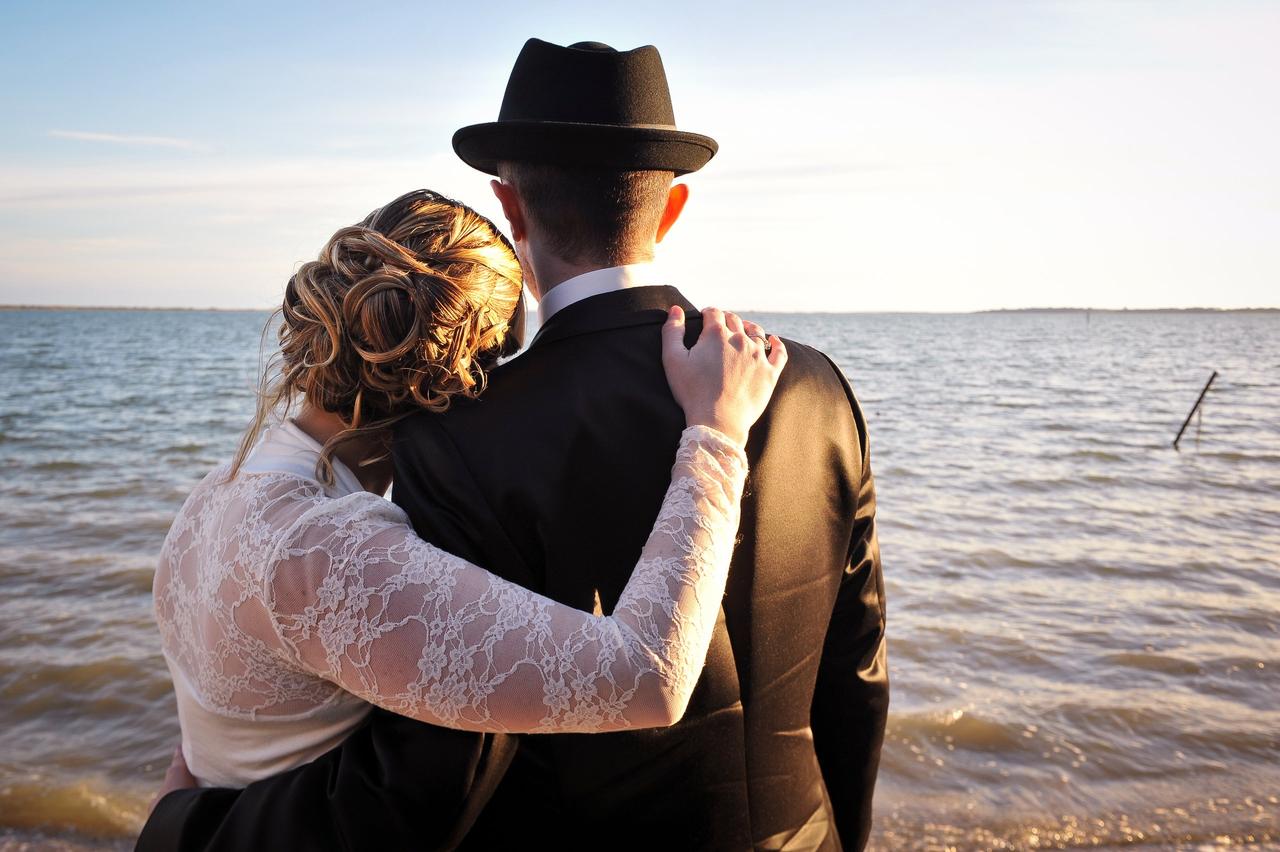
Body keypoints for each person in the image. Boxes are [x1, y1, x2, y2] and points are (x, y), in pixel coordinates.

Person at [141, 38, 887, 852]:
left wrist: (186, 824)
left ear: (513, 207)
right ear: (671, 208)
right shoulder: (812, 385)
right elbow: (857, 675)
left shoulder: (457, 440)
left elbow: (431, 779)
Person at [138, 186, 784, 834]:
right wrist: (716, 434)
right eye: (504, 370)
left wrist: (181, 826)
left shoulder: (217, 492)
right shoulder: (329, 549)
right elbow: (649, 677)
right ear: (464, 382)